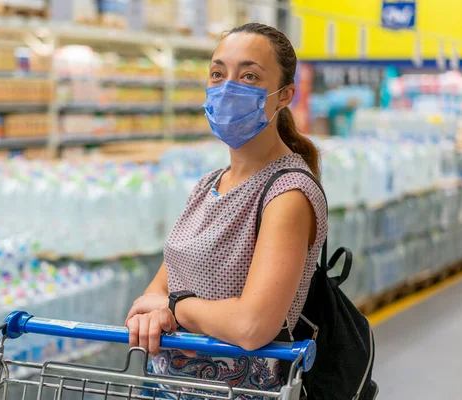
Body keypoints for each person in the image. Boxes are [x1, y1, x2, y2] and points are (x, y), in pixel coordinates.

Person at [125, 23, 327, 395]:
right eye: (218, 74)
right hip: (166, 385)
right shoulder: (209, 185)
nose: (227, 87)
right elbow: (159, 286)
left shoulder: (287, 193)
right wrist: (158, 305)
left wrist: (176, 308)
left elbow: (253, 326)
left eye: (249, 76)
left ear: (284, 96)